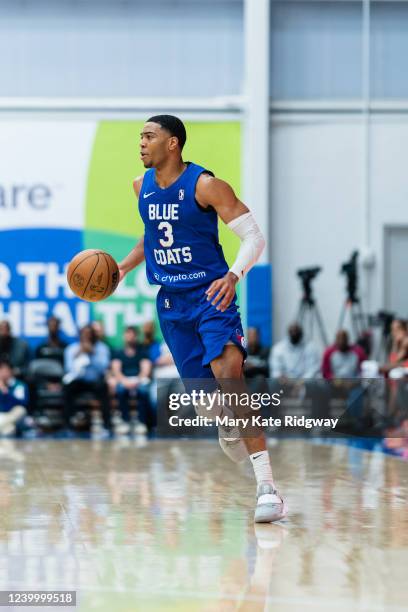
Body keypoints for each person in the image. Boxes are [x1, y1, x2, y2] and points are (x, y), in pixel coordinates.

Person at [117, 114, 285, 523]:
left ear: (172, 144)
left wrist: (233, 275)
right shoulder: (141, 188)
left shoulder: (205, 185)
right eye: (140, 136)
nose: (141, 142)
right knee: (208, 404)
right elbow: (154, 235)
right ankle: (225, 422)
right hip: (173, 304)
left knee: (230, 376)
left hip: (213, 293)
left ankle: (268, 488)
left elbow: (253, 237)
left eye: (149, 136)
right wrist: (122, 268)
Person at [63, 325, 111, 434]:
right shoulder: (71, 349)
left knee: (103, 387)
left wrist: (92, 353)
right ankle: (67, 424)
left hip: (94, 381)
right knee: (67, 388)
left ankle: (107, 425)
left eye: (89, 334)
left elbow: (103, 368)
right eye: (84, 334)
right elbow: (68, 369)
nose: (87, 337)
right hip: (78, 381)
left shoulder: (102, 348)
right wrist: (79, 353)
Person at [107, 326, 154, 434]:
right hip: (124, 380)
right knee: (120, 390)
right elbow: (116, 371)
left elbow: (145, 369)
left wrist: (137, 381)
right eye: (128, 334)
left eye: (133, 334)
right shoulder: (118, 352)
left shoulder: (142, 351)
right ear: (124, 336)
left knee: (143, 391)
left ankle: (141, 422)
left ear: (136, 336)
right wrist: (125, 382)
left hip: (139, 380)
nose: (130, 336)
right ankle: (125, 421)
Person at [0, 359, 30, 437]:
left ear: (10, 371)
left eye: (3, 370)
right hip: (2, 415)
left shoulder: (19, 385)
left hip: (12, 413)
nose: (1, 373)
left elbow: (22, 403)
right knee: (8, 430)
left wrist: (5, 392)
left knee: (20, 410)